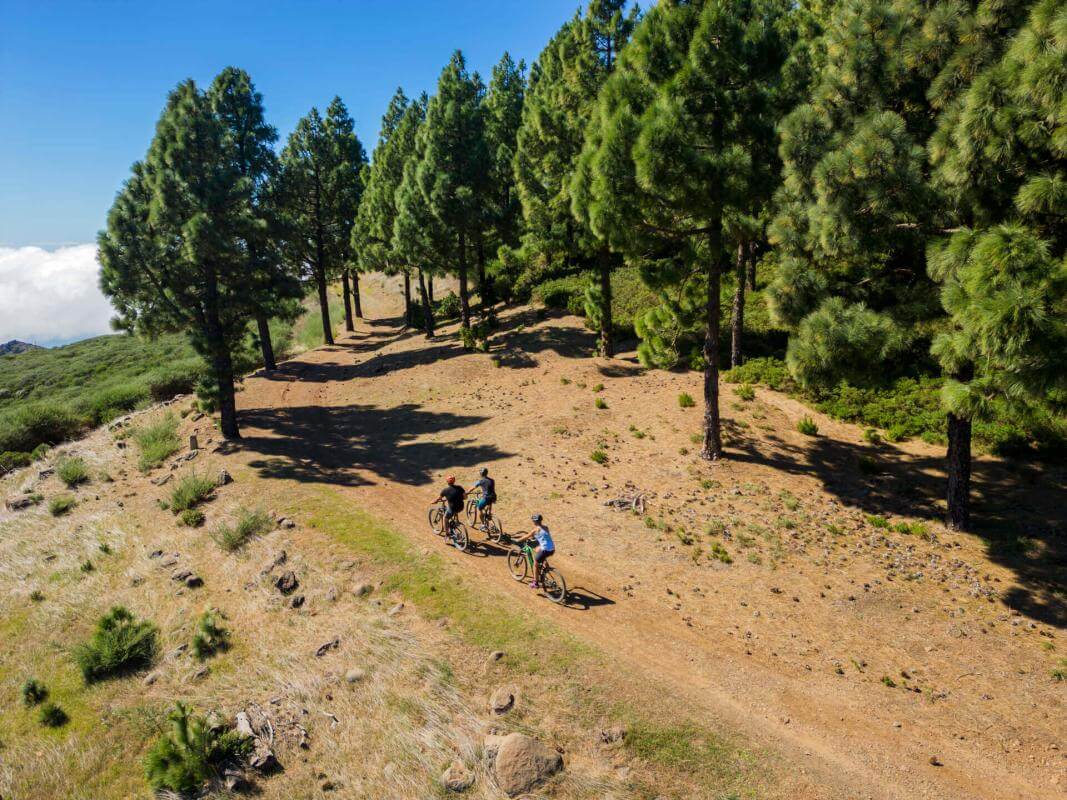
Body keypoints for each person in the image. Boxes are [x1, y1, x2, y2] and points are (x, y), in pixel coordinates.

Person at [514, 514, 555, 589]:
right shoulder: (546, 527)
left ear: (535, 521)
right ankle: (546, 567)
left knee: (535, 563)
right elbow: (544, 537)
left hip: (545, 549)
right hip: (552, 549)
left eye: (533, 520)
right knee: (537, 549)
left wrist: (517, 540)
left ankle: (535, 583)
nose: (532, 522)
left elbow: (526, 537)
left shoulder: (535, 530)